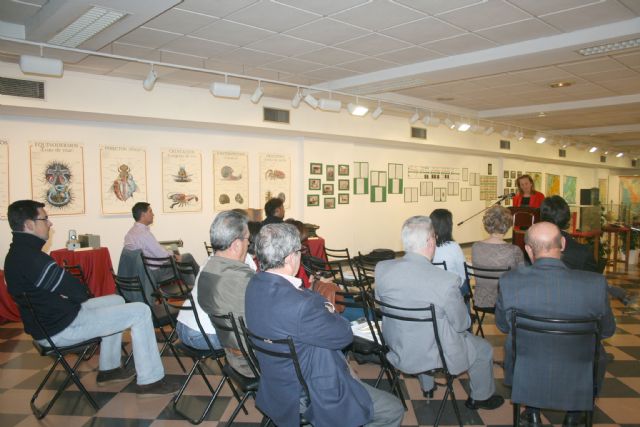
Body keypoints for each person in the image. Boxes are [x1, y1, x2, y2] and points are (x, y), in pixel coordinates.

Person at [4, 200, 180, 396]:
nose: (50, 223)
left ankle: (109, 370)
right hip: (61, 328)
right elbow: (79, 292)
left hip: (52, 320)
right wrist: (69, 294)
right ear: (29, 225)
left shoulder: (16, 255)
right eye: (45, 219)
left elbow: (71, 292)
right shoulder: (34, 259)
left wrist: (67, 295)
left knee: (117, 300)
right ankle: (151, 380)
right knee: (141, 311)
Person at [245, 223, 404, 427]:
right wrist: (325, 305)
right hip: (310, 392)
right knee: (393, 409)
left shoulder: (254, 286)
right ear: (290, 258)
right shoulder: (303, 305)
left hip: (276, 385)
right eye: (298, 251)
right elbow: (344, 335)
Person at [375, 216, 504, 410]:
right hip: (434, 352)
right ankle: (480, 397)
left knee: (419, 327)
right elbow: (461, 324)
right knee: (483, 349)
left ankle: (427, 385)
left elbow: (381, 308)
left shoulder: (382, 269)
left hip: (398, 346)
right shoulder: (446, 281)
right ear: (430, 241)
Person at [495, 222, 616, 426]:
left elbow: (503, 326)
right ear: (562, 243)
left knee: (522, 346)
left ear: (528, 249)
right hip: (579, 367)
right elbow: (607, 331)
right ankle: (574, 414)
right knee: (596, 351)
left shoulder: (509, 281)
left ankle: (532, 412)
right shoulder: (594, 284)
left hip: (527, 366)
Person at [197, 210, 256, 377]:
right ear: (237, 244)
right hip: (254, 361)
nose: (249, 244)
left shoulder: (206, 272)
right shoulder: (245, 278)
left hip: (232, 357)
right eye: (248, 240)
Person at [540, 195, 629, 304]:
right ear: (568, 217)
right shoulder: (582, 253)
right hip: (573, 307)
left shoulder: (531, 249)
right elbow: (594, 285)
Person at [124, 202, 199, 276]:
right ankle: (204, 279)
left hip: (142, 272)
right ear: (143, 215)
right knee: (187, 257)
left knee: (179, 259)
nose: (153, 214)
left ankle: (192, 285)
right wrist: (174, 255)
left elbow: (155, 249)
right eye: (150, 211)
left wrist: (171, 253)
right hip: (155, 272)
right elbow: (162, 255)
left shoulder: (130, 233)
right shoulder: (144, 234)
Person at [471, 205, 525, 308]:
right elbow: (521, 277)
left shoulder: (475, 247)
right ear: (508, 225)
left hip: (481, 300)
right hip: (506, 301)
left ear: (486, 223)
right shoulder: (514, 250)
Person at [429, 209, 468, 296]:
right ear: (448, 226)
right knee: (466, 281)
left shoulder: (426, 245)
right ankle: (464, 309)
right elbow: (464, 272)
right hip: (451, 289)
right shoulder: (454, 247)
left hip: (433, 287)